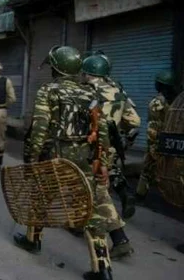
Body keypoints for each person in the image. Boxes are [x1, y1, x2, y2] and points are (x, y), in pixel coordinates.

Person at [17, 46, 119, 280]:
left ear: (56, 68)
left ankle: (33, 240)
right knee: (91, 209)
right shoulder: (90, 92)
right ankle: (103, 268)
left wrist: (32, 159)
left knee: (41, 197)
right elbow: (101, 130)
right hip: (85, 157)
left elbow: (40, 129)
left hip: (56, 155)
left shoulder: (48, 91)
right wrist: (102, 162)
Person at [82, 54, 138, 260]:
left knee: (98, 192)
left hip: (91, 149)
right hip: (110, 150)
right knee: (98, 189)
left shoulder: (88, 92)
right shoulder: (119, 93)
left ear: (88, 73)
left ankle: (119, 239)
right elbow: (135, 122)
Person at [135, 70, 177, 201]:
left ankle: (140, 195)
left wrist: (152, 146)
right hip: (172, 141)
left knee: (148, 168)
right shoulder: (176, 102)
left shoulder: (156, 103)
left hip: (159, 140)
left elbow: (153, 127)